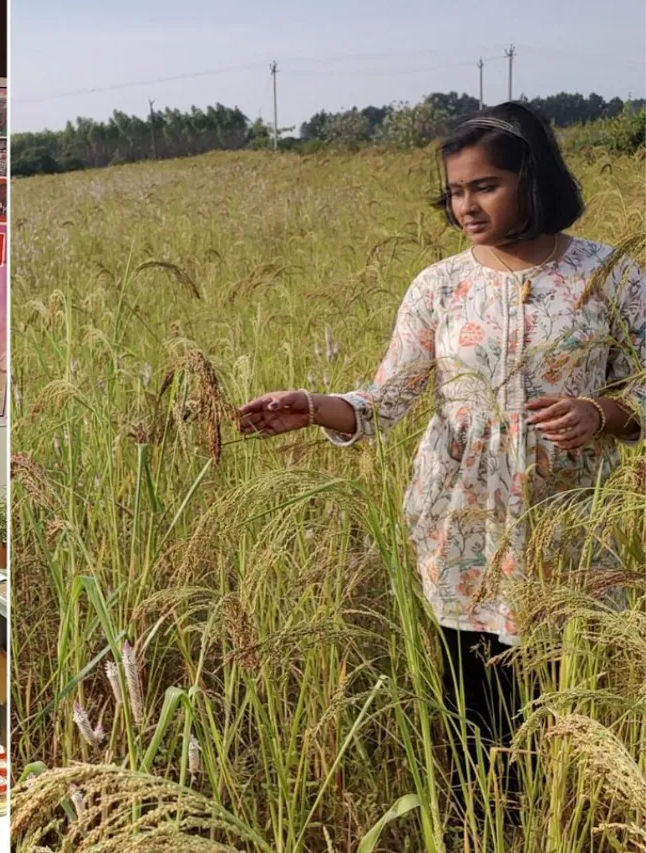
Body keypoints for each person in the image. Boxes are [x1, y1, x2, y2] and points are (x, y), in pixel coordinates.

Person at [238, 101, 645, 812]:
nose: (466, 205)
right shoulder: (439, 286)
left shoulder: (609, 275)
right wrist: (310, 405)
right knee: (477, 723)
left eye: (484, 185)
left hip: (567, 538)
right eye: (455, 190)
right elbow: (385, 398)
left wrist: (601, 412)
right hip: (460, 533)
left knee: (565, 714)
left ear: (533, 177)